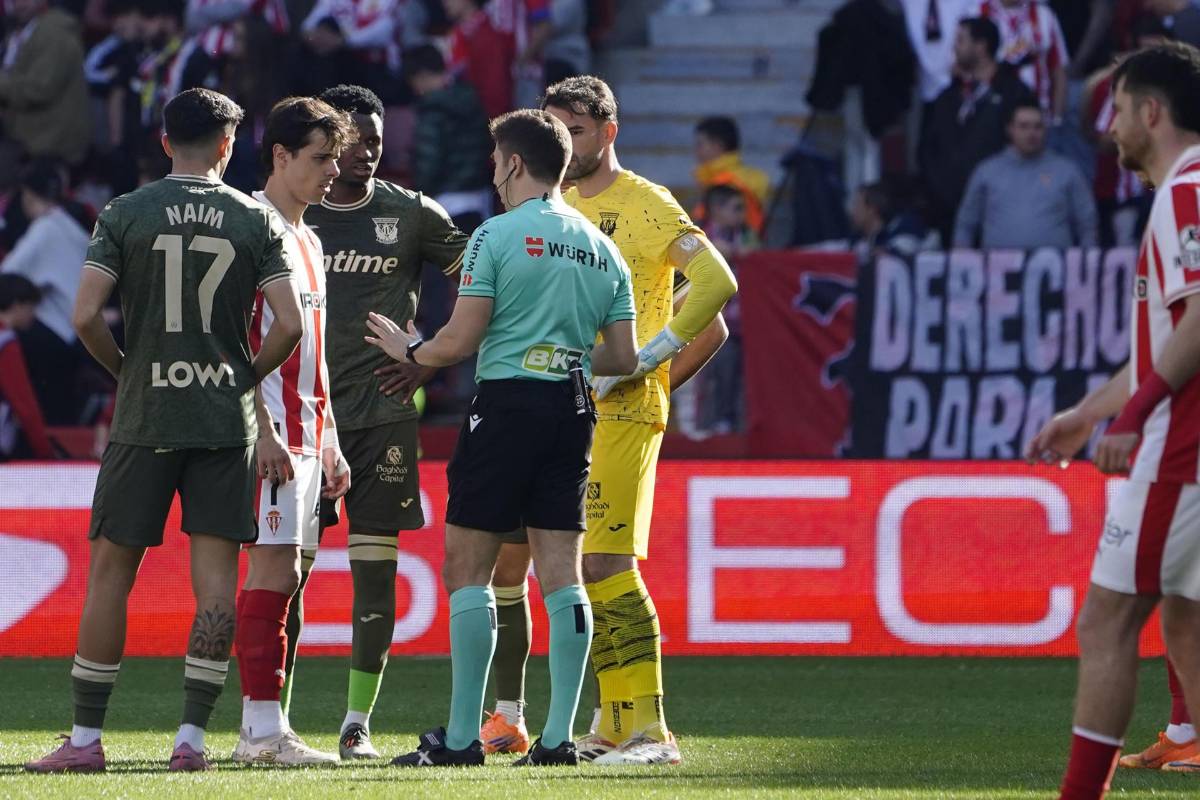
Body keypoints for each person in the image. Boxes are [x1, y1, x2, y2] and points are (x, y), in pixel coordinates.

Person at [24, 87, 304, 774]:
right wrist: (242, 375)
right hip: (222, 421)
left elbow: (86, 315)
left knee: (111, 577)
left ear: (162, 140)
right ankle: (191, 741)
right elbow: (291, 325)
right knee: (215, 583)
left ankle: (86, 742)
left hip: (145, 415)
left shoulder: (125, 212)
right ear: (229, 145)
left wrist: (128, 372)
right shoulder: (252, 217)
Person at [479, 75, 736, 766]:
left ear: (610, 132)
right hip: (570, 411)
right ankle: (613, 723)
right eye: (557, 131)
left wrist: (647, 363)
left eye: (580, 131)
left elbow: (717, 285)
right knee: (582, 569)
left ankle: (650, 731)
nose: (568, 143)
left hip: (619, 415)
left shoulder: (645, 205)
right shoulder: (554, 210)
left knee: (605, 563)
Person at [376, 107, 636, 768]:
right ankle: (556, 741)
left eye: (496, 161)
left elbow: (460, 341)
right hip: (572, 408)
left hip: (507, 404)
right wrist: (565, 352)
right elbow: (624, 357)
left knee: (469, 568)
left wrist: (411, 348)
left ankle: (463, 738)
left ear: (515, 163)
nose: (492, 174)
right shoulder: (602, 247)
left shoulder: (496, 236)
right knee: (562, 577)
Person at [1024, 42, 1200, 799]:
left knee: (1106, 622)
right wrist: (1085, 413)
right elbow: (1167, 336)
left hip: (1181, 449)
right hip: (1182, 439)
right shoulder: (1182, 192)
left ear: (1152, 112)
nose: (1112, 127)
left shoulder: (1187, 190)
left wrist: (1134, 414)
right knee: (1188, 623)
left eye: (1120, 110)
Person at [284, 84, 468, 760]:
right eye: (355, 138)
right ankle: (271, 720)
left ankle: (357, 723)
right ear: (328, 140)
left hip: (383, 416)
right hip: (300, 416)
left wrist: (428, 358)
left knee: (374, 573)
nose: (369, 149)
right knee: (286, 575)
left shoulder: (411, 213)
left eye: (377, 137)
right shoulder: (285, 214)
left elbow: (483, 285)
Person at [230, 96, 356, 766]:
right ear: (279, 156)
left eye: (336, 157)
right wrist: (263, 428)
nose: (332, 170)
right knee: (272, 573)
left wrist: (330, 438)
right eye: (320, 158)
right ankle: (258, 730)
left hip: (310, 437)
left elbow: (314, 351)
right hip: (271, 438)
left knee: (290, 577)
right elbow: (229, 339)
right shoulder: (249, 227)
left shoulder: (309, 237)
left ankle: (267, 725)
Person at [919, 16, 1036, 245]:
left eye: (961, 40)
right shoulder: (947, 97)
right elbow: (926, 150)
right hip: (948, 215)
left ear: (981, 46)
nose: (954, 47)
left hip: (1000, 215)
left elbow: (1026, 147)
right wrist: (940, 192)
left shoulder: (1014, 92)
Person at [1, 159, 91, 424]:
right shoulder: (67, 224)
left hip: (56, 337)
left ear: (27, 195)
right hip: (78, 332)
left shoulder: (44, 230)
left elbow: (7, 276)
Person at [953, 100, 1098, 248]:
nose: (1031, 133)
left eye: (1038, 127)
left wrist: (1085, 261)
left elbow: (1087, 223)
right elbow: (966, 224)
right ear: (1010, 129)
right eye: (1024, 126)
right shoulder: (987, 171)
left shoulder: (1067, 171)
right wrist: (961, 261)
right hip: (997, 269)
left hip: (1054, 267)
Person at [403, 43, 493, 232]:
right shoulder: (472, 99)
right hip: (482, 199)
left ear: (422, 76)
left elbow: (429, 161)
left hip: (446, 203)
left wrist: (418, 194)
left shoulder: (432, 111)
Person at [0, 0, 92, 165]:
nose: (19, 4)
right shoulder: (23, 30)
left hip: (50, 146)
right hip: (31, 141)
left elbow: (38, 89)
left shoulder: (54, 33)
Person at [978, 0, 1071, 121]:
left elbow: (1059, 70)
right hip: (992, 114)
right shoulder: (979, 12)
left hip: (1038, 115)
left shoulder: (1044, 15)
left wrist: (1057, 118)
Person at [0, 273, 53, 460]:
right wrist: (46, 453)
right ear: (16, 305)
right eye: (31, 307)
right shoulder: (5, 342)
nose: (33, 315)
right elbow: (23, 403)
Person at [692, 116, 769, 235]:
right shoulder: (744, 177)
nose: (696, 151)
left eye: (700, 144)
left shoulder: (724, 182)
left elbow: (705, 228)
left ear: (717, 145)